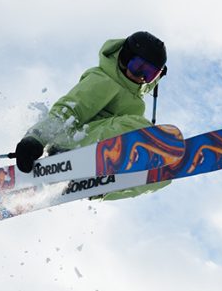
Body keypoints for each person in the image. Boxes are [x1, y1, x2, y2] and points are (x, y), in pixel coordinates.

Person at [13, 31, 170, 198]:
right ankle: (70, 158)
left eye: (150, 74)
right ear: (125, 57)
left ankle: (98, 187)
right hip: (72, 142)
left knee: (161, 173)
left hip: (101, 157)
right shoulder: (103, 79)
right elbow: (69, 110)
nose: (142, 77)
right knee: (139, 129)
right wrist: (35, 139)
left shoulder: (136, 103)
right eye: (138, 67)